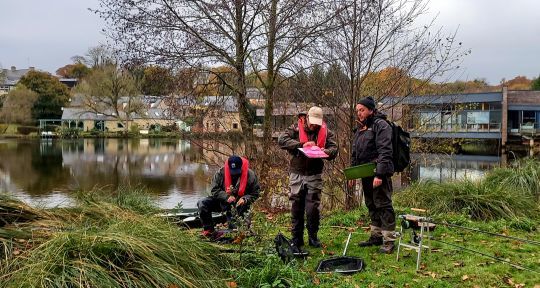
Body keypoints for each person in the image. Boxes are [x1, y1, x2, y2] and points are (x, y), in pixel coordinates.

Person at [278, 106, 338, 249]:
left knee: (312, 208)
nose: (314, 126)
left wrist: (326, 151)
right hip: (297, 173)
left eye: (317, 124)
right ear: (307, 118)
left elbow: (334, 149)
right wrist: (301, 144)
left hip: (314, 173)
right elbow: (282, 140)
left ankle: (313, 237)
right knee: (296, 207)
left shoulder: (326, 132)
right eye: (312, 123)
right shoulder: (295, 128)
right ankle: (296, 238)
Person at [350, 96, 396, 254]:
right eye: (357, 111)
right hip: (365, 173)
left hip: (379, 173)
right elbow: (355, 153)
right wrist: (352, 174)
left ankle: (389, 240)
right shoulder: (360, 128)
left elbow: (385, 152)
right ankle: (376, 236)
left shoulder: (381, 125)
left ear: (371, 110)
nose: (359, 113)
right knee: (370, 203)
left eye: (362, 110)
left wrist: (380, 175)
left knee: (383, 204)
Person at [197, 155, 260, 238]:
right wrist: (226, 197)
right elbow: (214, 189)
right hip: (222, 202)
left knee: (236, 232)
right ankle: (208, 229)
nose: (234, 174)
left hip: (239, 206)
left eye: (237, 171)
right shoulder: (220, 173)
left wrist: (245, 199)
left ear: (242, 167)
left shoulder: (251, 175)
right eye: (232, 171)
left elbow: (256, 193)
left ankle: (238, 227)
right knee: (202, 203)